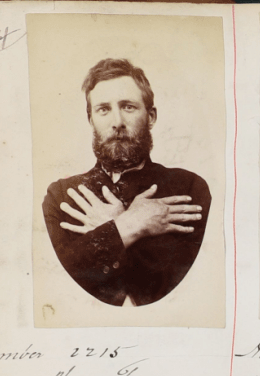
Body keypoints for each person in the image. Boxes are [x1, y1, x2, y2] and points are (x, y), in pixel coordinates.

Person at [42, 58, 210, 307]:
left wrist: (106, 232)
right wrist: (129, 225)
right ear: (91, 120)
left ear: (151, 116)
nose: (117, 122)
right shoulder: (62, 196)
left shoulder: (188, 188)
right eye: (103, 109)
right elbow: (58, 280)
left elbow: (184, 286)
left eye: (128, 107)